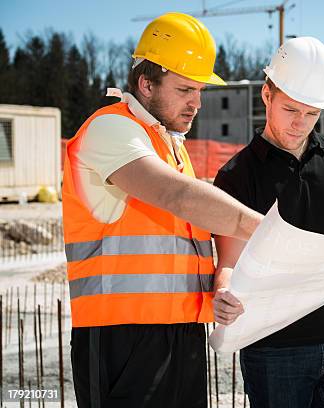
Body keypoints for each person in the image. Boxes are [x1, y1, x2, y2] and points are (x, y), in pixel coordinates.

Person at [62, 12, 262, 408]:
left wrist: (217, 286)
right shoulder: (110, 129)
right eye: (186, 89)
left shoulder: (169, 143)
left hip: (181, 332)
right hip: (123, 337)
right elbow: (179, 198)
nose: (197, 103)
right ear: (146, 83)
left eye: (200, 91)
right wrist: (271, 231)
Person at [212, 37, 324, 408]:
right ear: (267, 95)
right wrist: (224, 293)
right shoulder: (236, 176)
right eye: (291, 109)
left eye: (311, 114)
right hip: (275, 348)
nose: (300, 124)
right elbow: (229, 262)